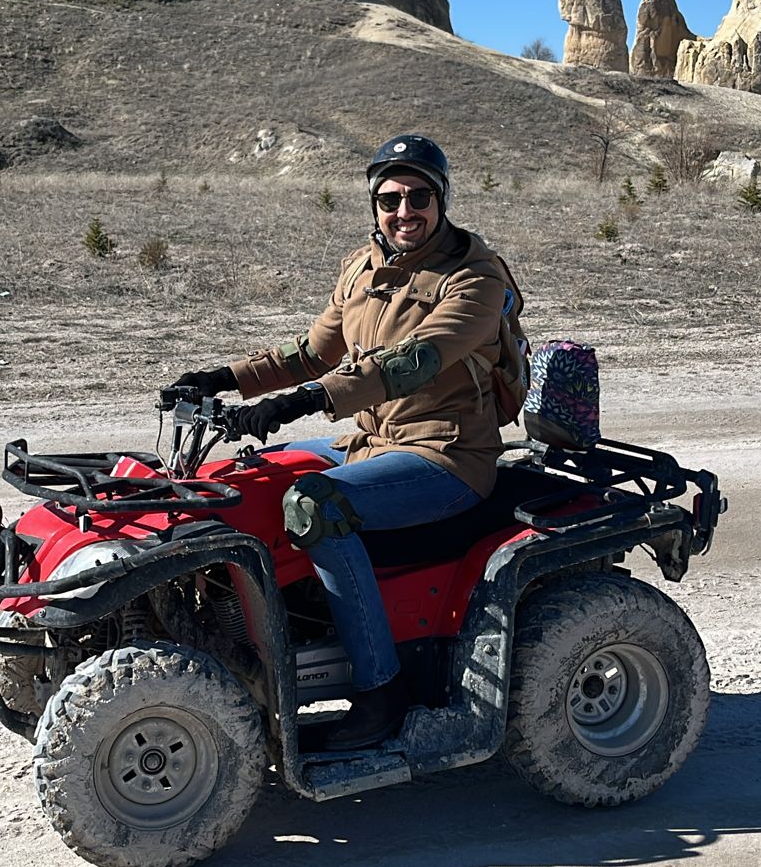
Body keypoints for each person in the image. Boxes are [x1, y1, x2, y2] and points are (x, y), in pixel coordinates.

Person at [171, 134, 515, 748]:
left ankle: (378, 694)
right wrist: (225, 379)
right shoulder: (362, 267)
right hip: (371, 442)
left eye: (418, 198)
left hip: (446, 456)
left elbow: (411, 363)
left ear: (441, 201)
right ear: (374, 206)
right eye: (390, 200)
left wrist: (302, 403)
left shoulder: (474, 279)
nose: (404, 212)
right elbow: (311, 353)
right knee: (237, 485)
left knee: (314, 507)